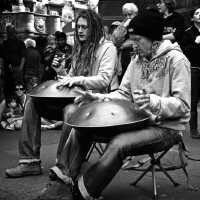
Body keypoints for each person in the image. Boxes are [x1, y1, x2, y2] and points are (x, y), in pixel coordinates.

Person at [32, 10, 191, 200]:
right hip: (138, 120)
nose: (133, 45)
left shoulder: (177, 60)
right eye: (131, 40)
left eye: (138, 40)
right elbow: (123, 93)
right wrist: (97, 98)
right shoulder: (137, 60)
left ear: (154, 40)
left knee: (119, 143)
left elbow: (183, 105)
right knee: (83, 127)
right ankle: (61, 183)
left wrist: (153, 101)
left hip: (166, 127)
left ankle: (82, 193)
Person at [5, 9, 118, 179]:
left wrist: (77, 79)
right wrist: (62, 73)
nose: (80, 30)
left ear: (94, 28)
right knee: (32, 101)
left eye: (84, 27)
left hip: (93, 103)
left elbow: (104, 80)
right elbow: (71, 78)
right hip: (73, 98)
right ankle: (29, 162)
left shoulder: (108, 48)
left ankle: (62, 165)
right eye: (78, 27)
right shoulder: (79, 48)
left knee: (70, 111)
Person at [180, 8, 200, 139]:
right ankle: (193, 128)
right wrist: (196, 42)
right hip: (194, 68)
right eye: (197, 13)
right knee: (193, 100)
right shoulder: (188, 33)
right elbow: (185, 51)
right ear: (192, 18)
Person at [2, 24, 26, 102]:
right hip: (8, 69)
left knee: (18, 88)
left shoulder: (20, 43)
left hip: (16, 68)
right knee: (9, 87)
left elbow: (23, 56)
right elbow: (2, 57)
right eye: (9, 32)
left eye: (11, 32)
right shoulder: (5, 43)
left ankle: (20, 104)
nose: (10, 33)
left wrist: (20, 69)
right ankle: (10, 105)